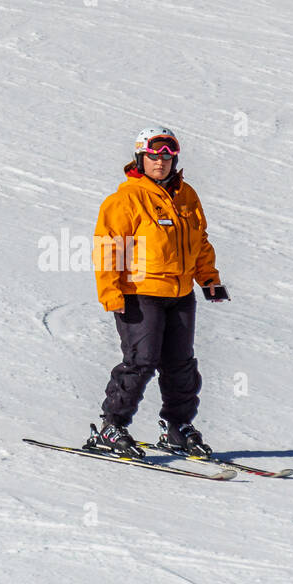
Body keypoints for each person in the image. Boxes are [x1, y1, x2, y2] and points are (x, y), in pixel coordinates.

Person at [91, 126, 228, 458]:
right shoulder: (126, 199)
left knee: (181, 363)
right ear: (141, 157)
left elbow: (200, 240)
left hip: (180, 293)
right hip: (139, 292)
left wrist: (208, 279)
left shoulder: (187, 195)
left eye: (167, 155)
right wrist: (111, 291)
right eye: (154, 155)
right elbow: (108, 247)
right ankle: (112, 427)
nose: (161, 161)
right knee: (141, 361)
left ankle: (177, 427)